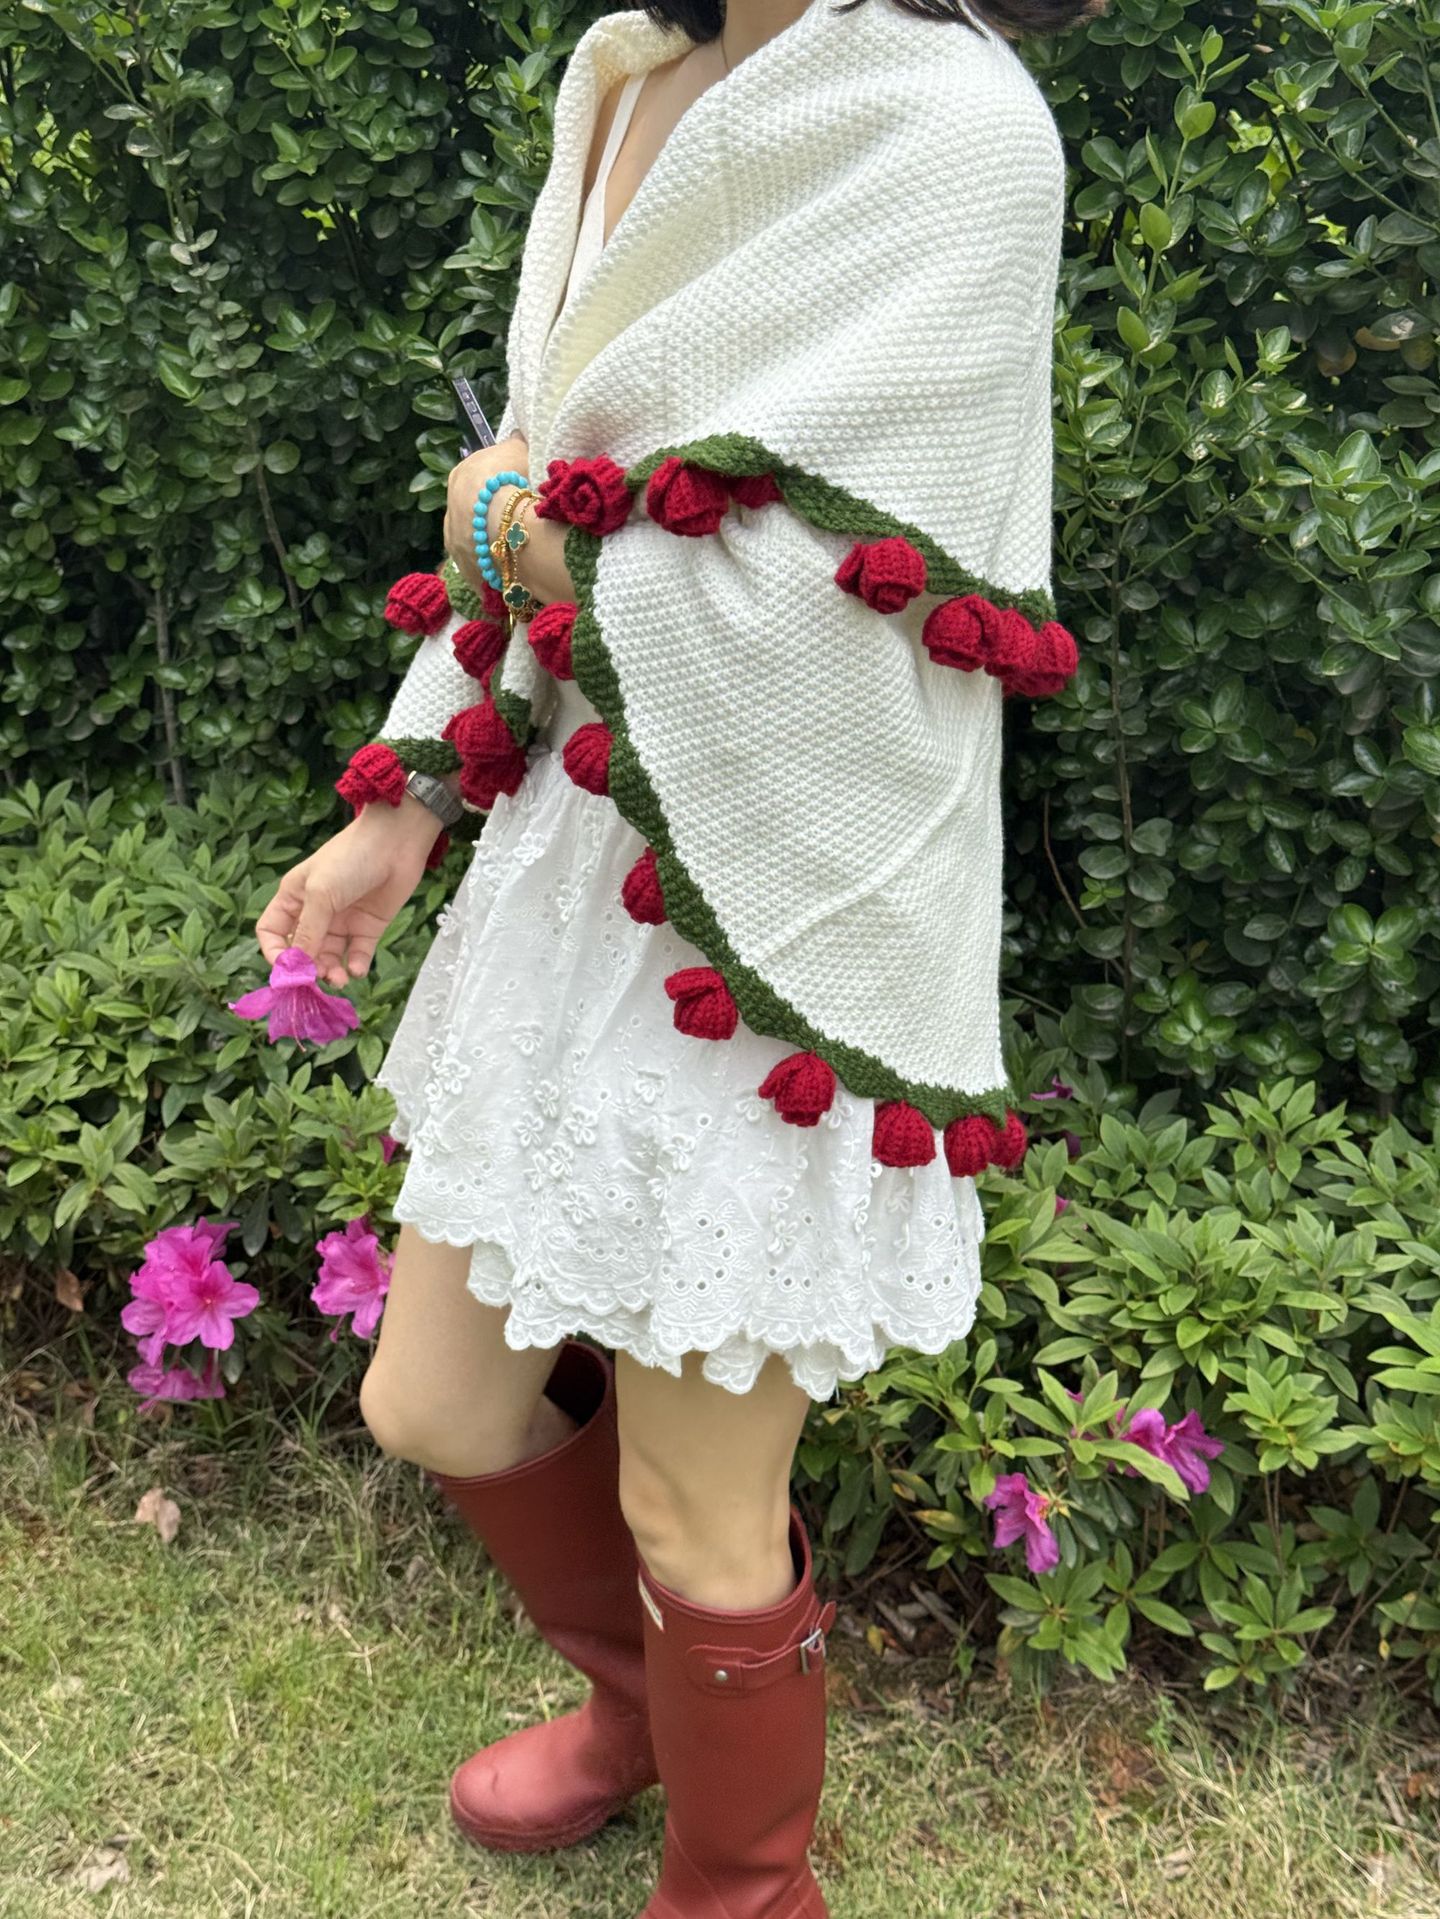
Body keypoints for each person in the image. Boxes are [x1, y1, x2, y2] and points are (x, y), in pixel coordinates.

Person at [255, 0, 1097, 1910]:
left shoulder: (954, 120)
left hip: (787, 905)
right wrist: (410, 793)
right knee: (433, 1402)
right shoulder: (628, 68)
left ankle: (747, 1887)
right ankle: (642, 1709)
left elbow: (830, 602)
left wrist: (509, 529)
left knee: (693, 1499)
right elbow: (559, 471)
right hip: (586, 855)